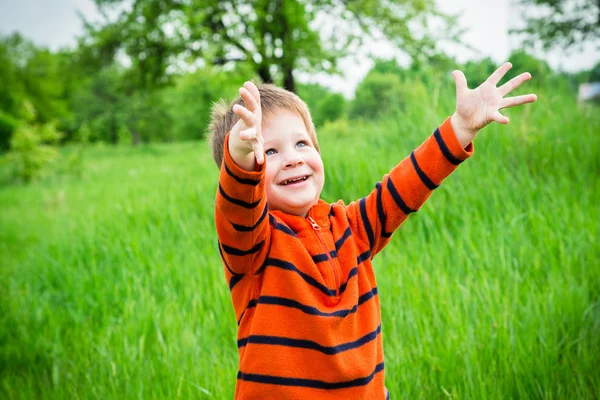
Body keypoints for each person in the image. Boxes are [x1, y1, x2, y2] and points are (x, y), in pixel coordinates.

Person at [209, 62, 537, 399]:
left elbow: (404, 187)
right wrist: (239, 154)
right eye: (270, 151)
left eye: (302, 144)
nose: (293, 159)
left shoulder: (351, 228)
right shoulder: (252, 246)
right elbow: (237, 206)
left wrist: (460, 128)